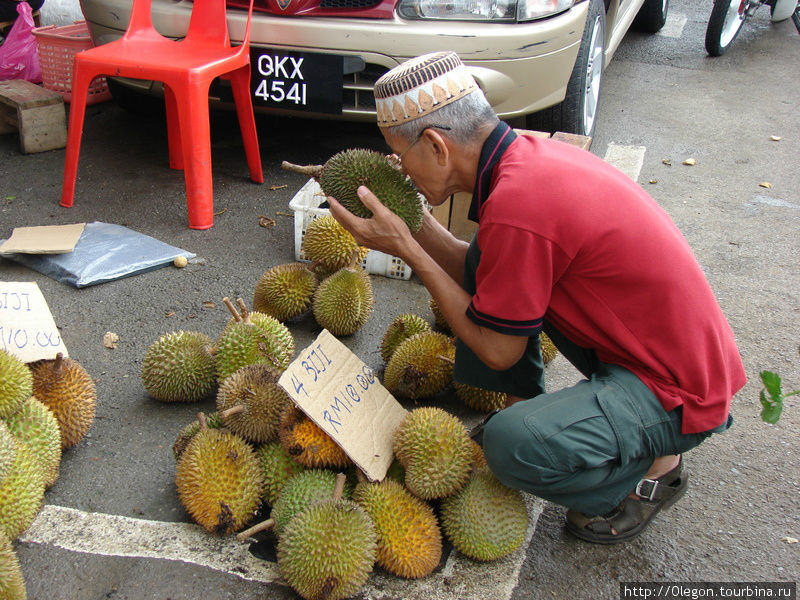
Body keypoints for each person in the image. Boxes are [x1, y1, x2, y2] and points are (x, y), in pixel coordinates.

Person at [328, 51, 746, 544]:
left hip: (677, 391)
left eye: (401, 153)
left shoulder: (520, 204)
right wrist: (412, 223)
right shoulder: (523, 162)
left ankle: (653, 473)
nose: (400, 169)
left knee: (511, 448)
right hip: (645, 354)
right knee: (488, 263)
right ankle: (522, 405)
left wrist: (407, 251)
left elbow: (498, 347)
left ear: (438, 146)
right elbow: (485, 271)